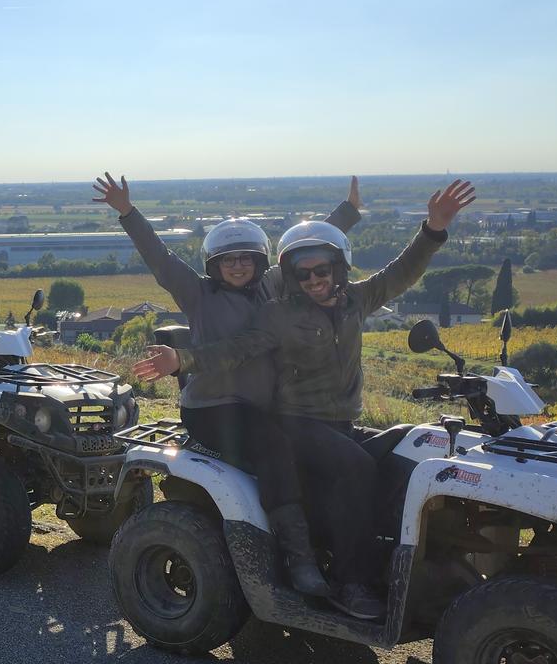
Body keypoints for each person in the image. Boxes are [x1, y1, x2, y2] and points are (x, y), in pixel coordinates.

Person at [141, 179, 477, 619]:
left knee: (408, 448)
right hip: (297, 421)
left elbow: (400, 273)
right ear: (291, 277)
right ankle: (349, 583)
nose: (314, 279)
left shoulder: (358, 299)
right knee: (356, 467)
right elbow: (235, 349)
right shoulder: (278, 314)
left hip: (341, 420)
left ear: (339, 268)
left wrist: (433, 230)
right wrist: (182, 359)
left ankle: (391, 557)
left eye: (323, 270)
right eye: (304, 274)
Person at [92, 173, 361, 596]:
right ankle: (299, 560)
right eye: (228, 259)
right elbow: (160, 258)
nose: (238, 265)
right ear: (213, 266)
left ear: (259, 263)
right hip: (213, 407)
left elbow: (303, 252)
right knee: (273, 447)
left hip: (261, 406)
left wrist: (346, 215)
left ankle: (332, 544)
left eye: (246, 258)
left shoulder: (271, 287)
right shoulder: (198, 295)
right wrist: (128, 212)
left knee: (315, 453)